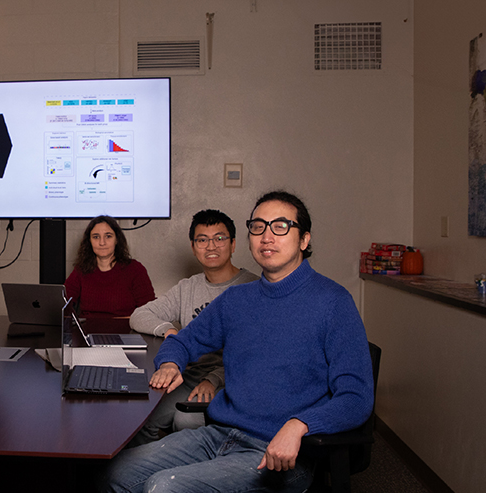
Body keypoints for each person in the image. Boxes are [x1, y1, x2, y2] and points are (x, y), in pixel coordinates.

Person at [102, 191, 374, 493]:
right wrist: (170, 361)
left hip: (280, 454)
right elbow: (183, 341)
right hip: (218, 434)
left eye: (280, 226)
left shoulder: (333, 303)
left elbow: (356, 397)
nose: (267, 236)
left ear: (304, 239)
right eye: (258, 227)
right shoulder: (236, 300)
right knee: (113, 472)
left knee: (164, 487)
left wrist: (299, 425)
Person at [127, 209, 258, 447]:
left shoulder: (252, 287)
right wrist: (168, 330)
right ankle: (141, 477)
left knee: (185, 420)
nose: (211, 246)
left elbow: (253, 357)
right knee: (141, 418)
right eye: (202, 240)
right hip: (189, 374)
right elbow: (140, 315)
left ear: (233, 244)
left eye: (219, 238)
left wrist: (214, 379)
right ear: (193, 246)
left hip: (231, 378)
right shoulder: (188, 287)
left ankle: (180, 481)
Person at [64, 215, 156, 318]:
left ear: (117, 240)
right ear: (89, 241)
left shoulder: (135, 269)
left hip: (125, 331)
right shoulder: (81, 269)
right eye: (96, 237)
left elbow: (149, 311)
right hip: (87, 331)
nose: (102, 242)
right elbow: (63, 302)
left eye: (108, 236)